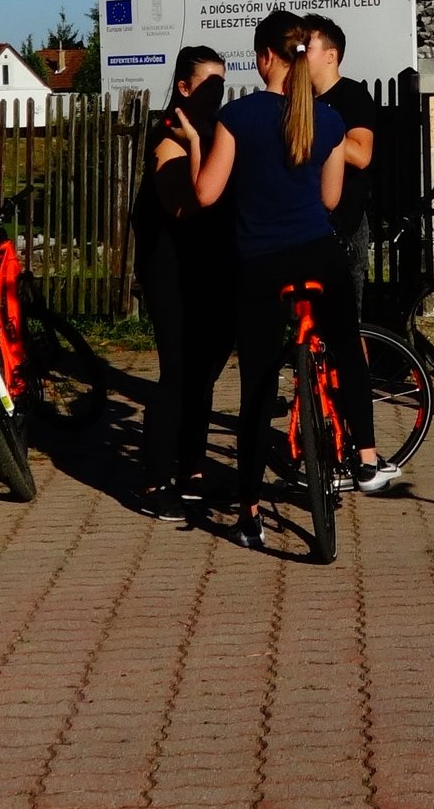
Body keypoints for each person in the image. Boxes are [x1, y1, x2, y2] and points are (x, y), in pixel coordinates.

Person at [176, 13, 389, 553]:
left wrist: (195, 144)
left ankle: (249, 515)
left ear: (264, 57)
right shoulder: (328, 120)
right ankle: (366, 459)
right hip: (318, 254)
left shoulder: (237, 117)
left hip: (259, 265)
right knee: (346, 347)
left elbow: (204, 194)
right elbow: (331, 199)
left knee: (258, 388)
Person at [133, 45, 234, 521]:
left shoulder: (216, 130)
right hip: (168, 268)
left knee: (204, 371)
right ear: (184, 87)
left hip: (206, 266)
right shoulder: (169, 136)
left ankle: (193, 469)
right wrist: (195, 145)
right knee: (176, 372)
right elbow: (183, 206)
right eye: (208, 84)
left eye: (222, 84)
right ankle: (155, 481)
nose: (217, 92)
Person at [301, 13, 383, 349]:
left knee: (347, 325)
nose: (299, 53)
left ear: (330, 55)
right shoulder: (299, 101)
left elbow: (362, 154)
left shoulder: (352, 96)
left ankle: (357, 384)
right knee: (310, 326)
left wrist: (317, 125)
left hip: (344, 225)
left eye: (307, 47)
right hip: (305, 222)